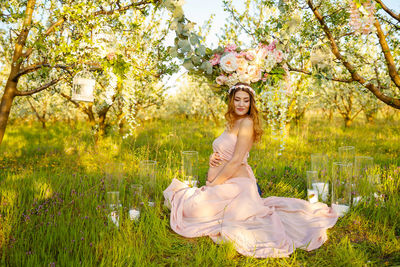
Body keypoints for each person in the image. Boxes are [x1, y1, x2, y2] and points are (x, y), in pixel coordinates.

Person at [163, 83, 338, 258]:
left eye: (246, 100)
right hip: (225, 182)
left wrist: (213, 183)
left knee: (192, 210)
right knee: (190, 209)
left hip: (238, 185)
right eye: (237, 99)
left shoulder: (247, 123)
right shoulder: (232, 122)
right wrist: (212, 158)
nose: (241, 104)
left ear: (250, 103)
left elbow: (237, 159)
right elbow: (225, 151)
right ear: (231, 101)